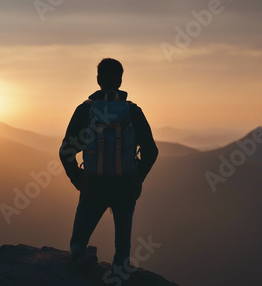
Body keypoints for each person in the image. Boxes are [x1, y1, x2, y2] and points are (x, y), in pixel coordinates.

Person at [59, 58, 158, 271]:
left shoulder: (85, 111)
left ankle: (80, 258)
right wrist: (136, 177)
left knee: (78, 243)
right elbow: (151, 151)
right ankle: (119, 271)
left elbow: (66, 151)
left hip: (93, 184)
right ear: (121, 80)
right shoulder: (133, 112)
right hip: (125, 185)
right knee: (122, 250)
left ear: (98, 80)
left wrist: (80, 180)